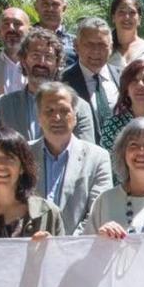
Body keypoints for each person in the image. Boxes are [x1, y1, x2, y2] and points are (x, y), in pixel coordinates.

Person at [29, 82, 114, 232]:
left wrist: (68, 246)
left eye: (64, 111)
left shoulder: (97, 158)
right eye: (49, 111)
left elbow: (99, 212)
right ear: (39, 117)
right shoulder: (24, 154)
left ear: (75, 116)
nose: (57, 117)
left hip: (78, 248)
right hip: (31, 247)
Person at [0, 28, 94, 143]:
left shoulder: (79, 107)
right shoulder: (0, 106)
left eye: (48, 57)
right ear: (23, 60)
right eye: (35, 56)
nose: (41, 63)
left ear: (58, 63)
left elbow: (86, 155)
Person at [61, 17, 122, 138]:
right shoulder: (61, 81)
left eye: (102, 45)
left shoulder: (124, 77)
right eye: (89, 45)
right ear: (76, 46)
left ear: (111, 47)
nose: (96, 51)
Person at [96, 59, 144, 153]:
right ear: (126, 89)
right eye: (133, 80)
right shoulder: (112, 126)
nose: (140, 85)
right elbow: (107, 164)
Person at [33, 0, 76, 64]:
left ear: (64, 8)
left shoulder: (76, 44)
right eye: (45, 4)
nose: (50, 9)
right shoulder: (24, 39)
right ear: (36, 7)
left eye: (55, 4)